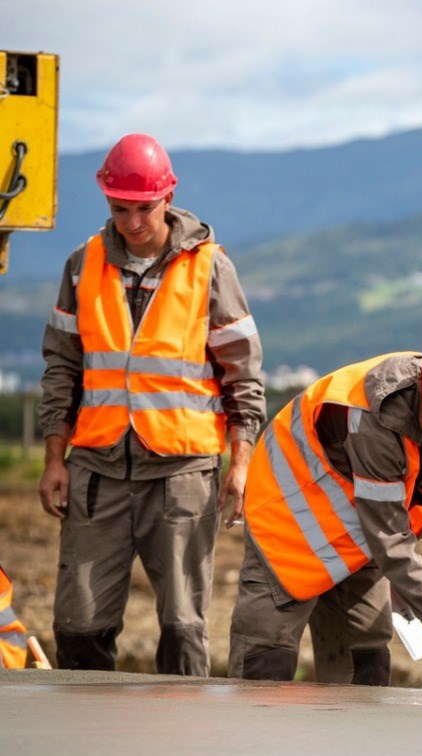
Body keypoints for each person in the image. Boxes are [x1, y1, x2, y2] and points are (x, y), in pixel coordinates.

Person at [37, 133, 265, 675]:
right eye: (120, 209)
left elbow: (243, 374)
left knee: (183, 630)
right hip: (97, 471)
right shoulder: (81, 265)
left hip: (183, 476)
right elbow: (62, 368)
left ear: (168, 197)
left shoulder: (210, 267)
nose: (133, 222)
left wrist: (241, 462)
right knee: (78, 625)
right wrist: (53, 459)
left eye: (144, 208)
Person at [227, 333, 422, 686]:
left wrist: (405, 579)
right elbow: (389, 535)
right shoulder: (374, 421)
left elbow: (408, 507)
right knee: (264, 665)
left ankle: (347, 742)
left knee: (366, 661)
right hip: (290, 526)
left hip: (357, 534)